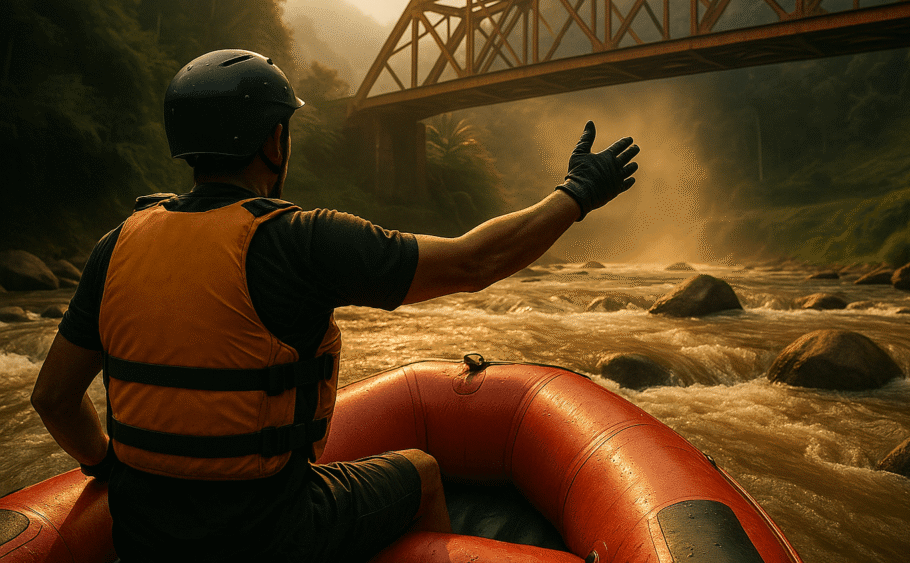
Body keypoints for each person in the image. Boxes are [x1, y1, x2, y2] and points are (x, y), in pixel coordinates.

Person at [31, 49, 640, 562]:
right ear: (275, 140)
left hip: (143, 532)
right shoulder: (300, 240)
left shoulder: (118, 243)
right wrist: (577, 194)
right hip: (268, 532)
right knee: (422, 470)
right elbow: (471, 263)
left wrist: (109, 465)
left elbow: (52, 398)